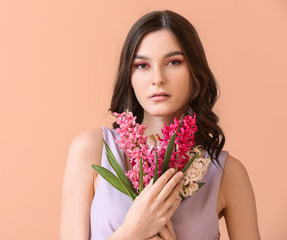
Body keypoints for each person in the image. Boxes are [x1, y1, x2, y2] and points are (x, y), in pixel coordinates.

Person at [60, 10, 260, 240]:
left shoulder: (227, 174)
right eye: (142, 65)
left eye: (173, 62)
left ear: (194, 71)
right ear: (130, 76)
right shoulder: (92, 151)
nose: (158, 78)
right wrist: (133, 231)